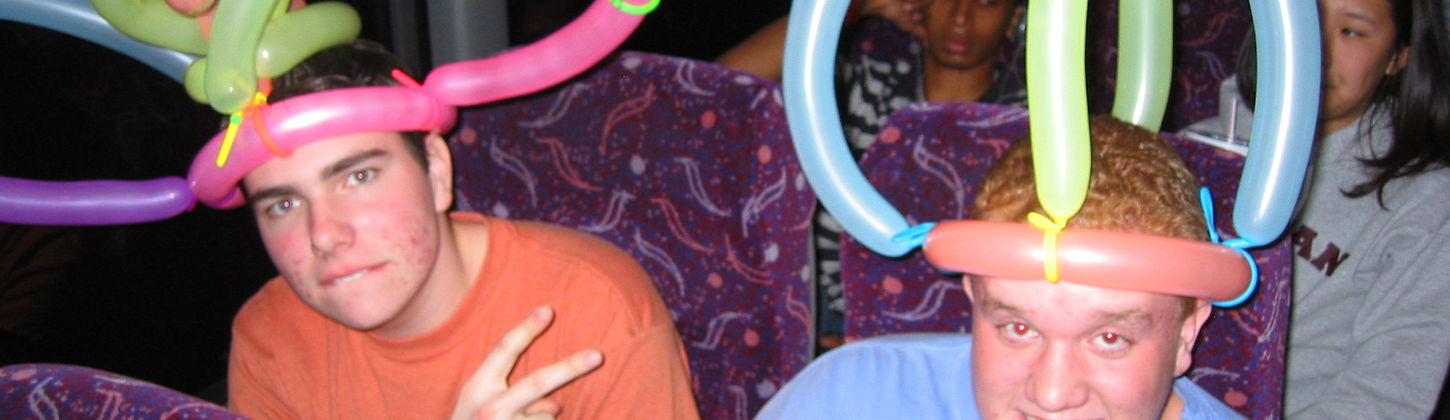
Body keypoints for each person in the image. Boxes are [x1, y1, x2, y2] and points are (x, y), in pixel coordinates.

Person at [223, 40, 700, 419]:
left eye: (359, 177)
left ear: (435, 170)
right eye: (284, 204)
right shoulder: (270, 338)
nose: (324, 235)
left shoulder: (597, 309)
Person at [756, 116, 1245, 419]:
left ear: (1185, 335)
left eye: (1110, 338)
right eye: (1018, 328)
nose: (1051, 395)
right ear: (974, 300)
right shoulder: (847, 397)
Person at [1180, 0, 1450, 417]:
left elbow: (1390, 392)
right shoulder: (1198, 149)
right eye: (1305, 22)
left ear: (1398, 57)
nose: (1317, 51)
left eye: (1351, 32)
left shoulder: (1424, 201)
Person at [718, 0, 1027, 350]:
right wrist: (856, 8)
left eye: (986, 2)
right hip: (827, 313)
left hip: (968, 334)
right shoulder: (872, 80)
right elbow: (718, 89)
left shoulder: (1026, 121)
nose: (961, 16)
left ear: (1013, 18)